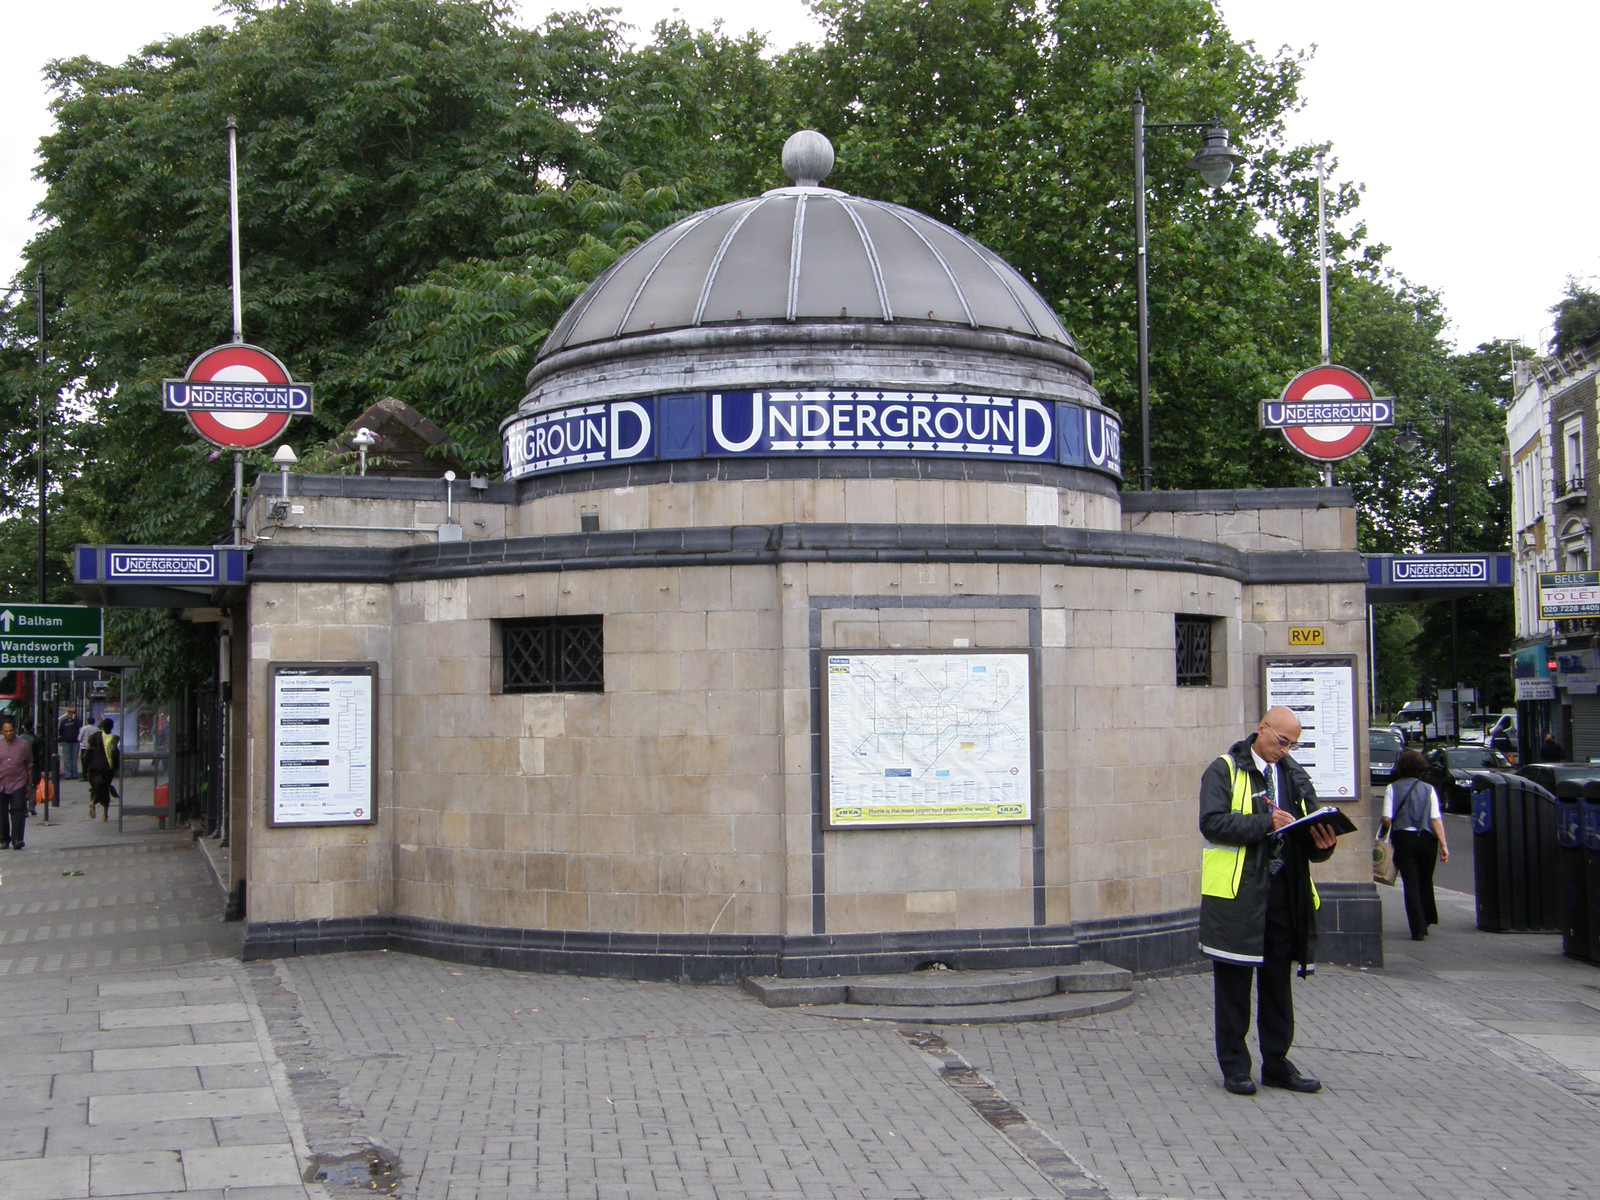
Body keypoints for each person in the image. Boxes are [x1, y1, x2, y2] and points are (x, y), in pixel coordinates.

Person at [1198, 705, 1338, 1096]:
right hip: (1239, 896)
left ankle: (1276, 1063)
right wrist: (1265, 823)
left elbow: (1308, 831)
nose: (1285, 748)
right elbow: (1211, 823)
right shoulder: (1225, 769)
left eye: (1292, 743)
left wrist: (1322, 845)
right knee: (1234, 986)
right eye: (1281, 740)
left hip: (1283, 894)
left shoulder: (1293, 773)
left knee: (1277, 984)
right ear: (1262, 729)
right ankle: (1235, 1067)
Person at [1380, 749, 1450, 941]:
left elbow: (1387, 819)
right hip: (1427, 840)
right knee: (1425, 880)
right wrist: (1443, 845)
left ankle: (1417, 928)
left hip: (1403, 839)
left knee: (1410, 882)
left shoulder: (1392, 788)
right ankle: (1427, 918)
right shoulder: (1428, 789)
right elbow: (1435, 819)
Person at [0, 716, 34, 849]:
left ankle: (17, 838)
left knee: (18, 810)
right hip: (1, 783)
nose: (9, 733)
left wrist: (29, 784)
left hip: (18, 782)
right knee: (2, 812)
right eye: (6, 731)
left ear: (15, 730)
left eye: (11, 731)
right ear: (2, 732)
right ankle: (3, 838)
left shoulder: (23, 745)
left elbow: (29, 766)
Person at [84, 718, 119, 821]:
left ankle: (93, 802)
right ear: (112, 727)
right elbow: (113, 750)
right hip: (107, 768)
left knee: (96, 788)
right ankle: (105, 814)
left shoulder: (96, 736)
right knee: (105, 789)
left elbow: (87, 747)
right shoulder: (114, 738)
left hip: (95, 767)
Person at [58, 708, 82, 780]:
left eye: (72, 713)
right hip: (66, 742)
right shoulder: (64, 722)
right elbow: (61, 731)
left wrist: (75, 719)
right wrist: (60, 741)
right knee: (67, 759)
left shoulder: (76, 721)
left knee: (74, 759)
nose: (70, 715)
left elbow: (79, 725)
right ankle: (68, 774)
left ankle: (74, 774)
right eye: (69, 713)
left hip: (75, 742)